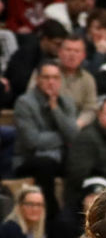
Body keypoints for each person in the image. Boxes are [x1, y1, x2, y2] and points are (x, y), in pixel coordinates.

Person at [13, 60, 77, 217]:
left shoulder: (66, 101)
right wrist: (63, 136)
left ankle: (75, 213)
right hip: (29, 159)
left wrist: (55, 109)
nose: (51, 82)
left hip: (59, 157)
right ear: (37, 79)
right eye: (46, 77)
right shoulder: (24, 103)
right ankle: (52, 216)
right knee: (45, 165)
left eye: (55, 78)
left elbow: (74, 136)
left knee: (80, 160)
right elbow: (32, 141)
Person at [54, 34, 98, 127]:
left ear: (83, 56)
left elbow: (90, 109)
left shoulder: (88, 79)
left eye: (77, 51)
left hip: (76, 126)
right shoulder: (46, 72)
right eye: (68, 50)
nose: (72, 54)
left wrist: (78, 124)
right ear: (59, 52)